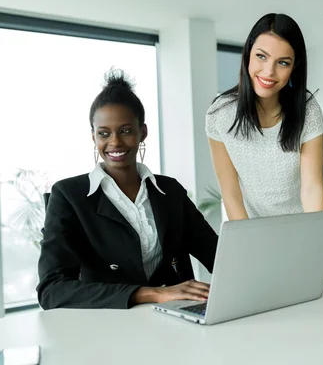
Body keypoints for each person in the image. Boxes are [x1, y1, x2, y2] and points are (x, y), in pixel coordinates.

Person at [37, 70, 218, 309]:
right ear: (93, 137)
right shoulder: (69, 195)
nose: (115, 143)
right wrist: (150, 294)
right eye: (104, 133)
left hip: (177, 317)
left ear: (142, 132)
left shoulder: (170, 191)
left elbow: (217, 257)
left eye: (125, 131)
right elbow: (52, 289)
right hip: (110, 325)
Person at [205, 13, 323, 290]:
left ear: (294, 67)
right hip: (249, 236)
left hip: (300, 237)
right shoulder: (219, 113)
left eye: (282, 63)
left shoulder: (307, 110)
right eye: (261, 57)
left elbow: (312, 188)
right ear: (248, 55)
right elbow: (230, 193)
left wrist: (320, 258)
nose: (269, 72)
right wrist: (252, 252)